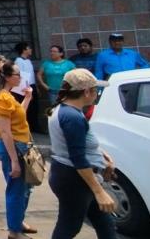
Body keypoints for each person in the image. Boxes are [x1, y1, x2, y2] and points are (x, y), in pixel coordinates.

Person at [48, 69, 118, 239]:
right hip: (75, 180)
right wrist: (99, 191)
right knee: (69, 227)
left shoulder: (65, 109)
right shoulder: (72, 116)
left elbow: (78, 144)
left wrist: (100, 154)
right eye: (96, 90)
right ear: (86, 92)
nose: (97, 94)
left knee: (105, 223)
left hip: (72, 176)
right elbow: (78, 158)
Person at [0, 60, 36, 239]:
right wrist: (14, 161)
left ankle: (17, 221)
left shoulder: (8, 95)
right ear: (6, 77)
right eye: (17, 75)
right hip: (12, 147)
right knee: (16, 188)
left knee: (25, 187)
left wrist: (27, 98)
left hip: (19, 144)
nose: (20, 77)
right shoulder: (3, 98)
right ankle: (14, 230)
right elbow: (5, 131)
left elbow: (17, 116)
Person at [13, 42, 39, 131]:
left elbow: (31, 75)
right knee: (27, 108)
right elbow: (22, 76)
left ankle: (34, 126)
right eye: (29, 48)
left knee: (34, 107)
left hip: (32, 85)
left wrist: (36, 87)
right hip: (25, 87)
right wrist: (27, 89)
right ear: (24, 50)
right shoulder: (18, 61)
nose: (30, 50)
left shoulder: (28, 60)